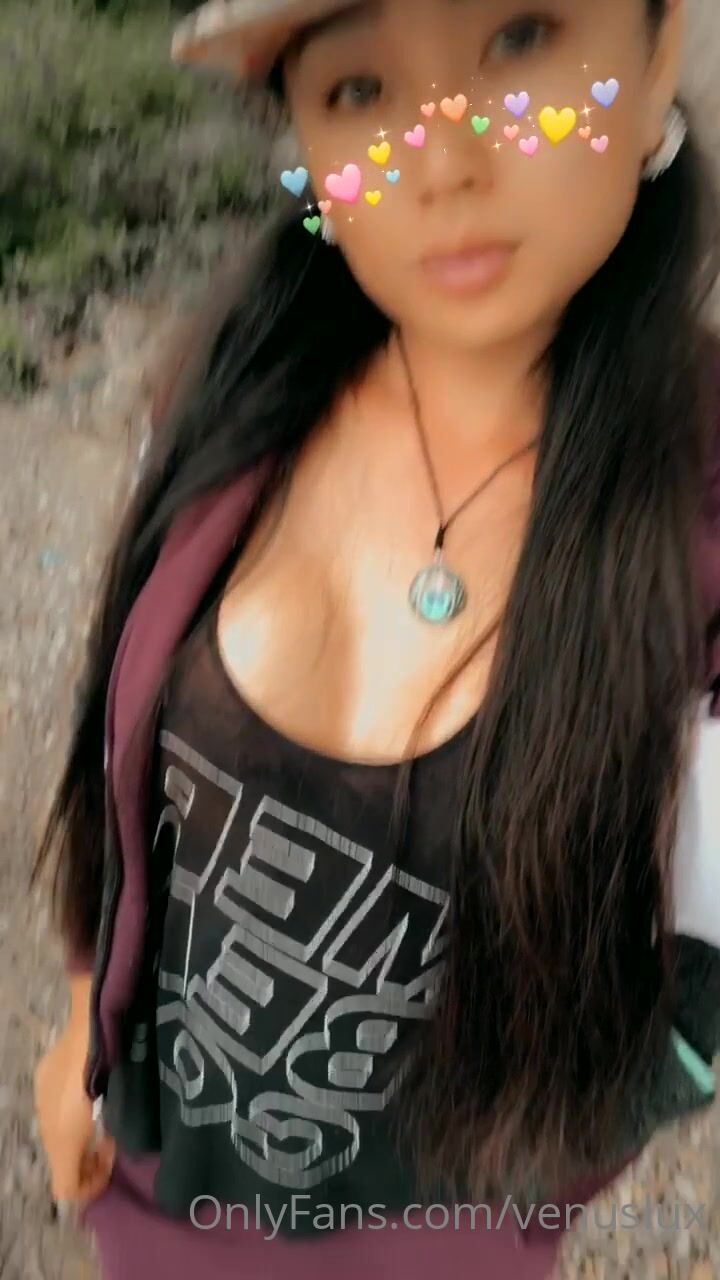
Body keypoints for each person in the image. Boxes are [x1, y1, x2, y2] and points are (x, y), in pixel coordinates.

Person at [31, 0, 720, 1276]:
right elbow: (124, 756)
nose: (443, 160)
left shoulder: (700, 525)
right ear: (302, 140)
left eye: (520, 39)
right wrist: (87, 1014)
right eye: (357, 91)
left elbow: (703, 992)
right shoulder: (232, 389)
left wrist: (526, 1176)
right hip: (159, 1180)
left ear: (657, 52)